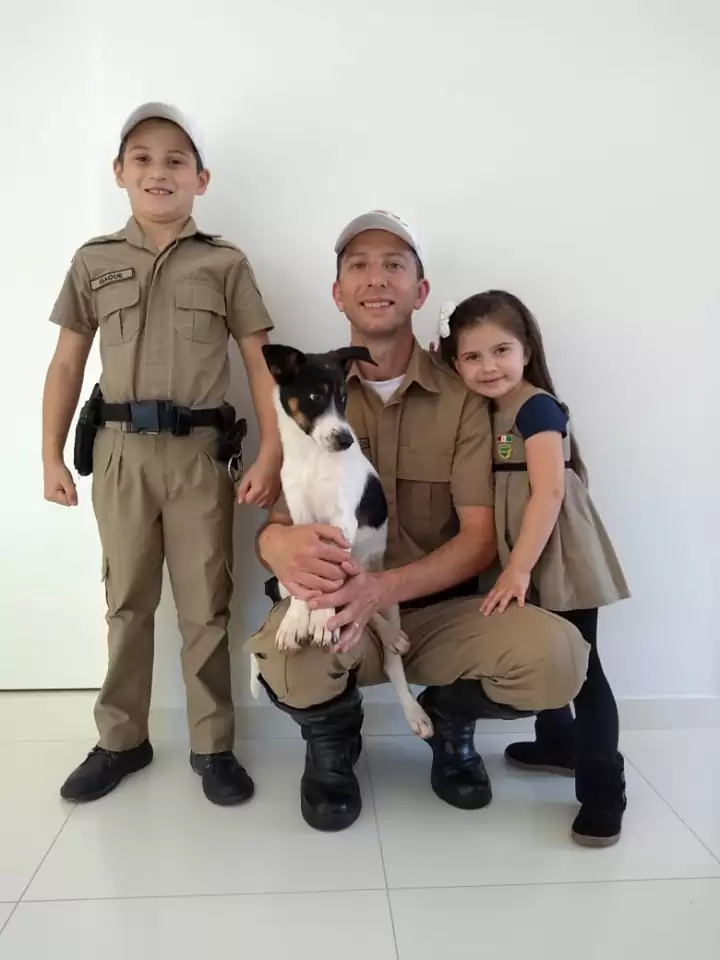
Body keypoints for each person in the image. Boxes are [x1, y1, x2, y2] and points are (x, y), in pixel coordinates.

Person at [246, 209, 590, 833]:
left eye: (394, 265)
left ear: (420, 290)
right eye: (358, 265)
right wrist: (277, 549)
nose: (376, 279)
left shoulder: (464, 397)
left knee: (559, 657)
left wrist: (384, 588)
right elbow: (278, 520)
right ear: (338, 291)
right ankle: (332, 745)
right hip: (337, 603)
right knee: (286, 660)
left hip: (435, 611)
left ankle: (451, 720)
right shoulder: (303, 391)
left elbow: (479, 538)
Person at [42, 102, 282, 806]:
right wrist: (51, 456)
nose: (158, 171)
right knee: (127, 602)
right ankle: (122, 739)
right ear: (119, 172)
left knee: (207, 605)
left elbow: (261, 363)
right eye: (142, 158)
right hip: (118, 455)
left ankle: (214, 747)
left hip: (201, 457)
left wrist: (269, 453)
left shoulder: (225, 263)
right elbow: (65, 365)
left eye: (176, 160)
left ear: (201, 178)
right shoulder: (94, 261)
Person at [435, 290, 630, 846]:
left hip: (556, 554)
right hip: (518, 553)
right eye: (471, 357)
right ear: (455, 364)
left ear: (527, 351)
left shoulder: (535, 407)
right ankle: (557, 742)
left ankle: (603, 790)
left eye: (501, 350)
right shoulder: (484, 411)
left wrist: (517, 569)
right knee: (543, 649)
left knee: (585, 668)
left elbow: (546, 493)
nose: (488, 366)